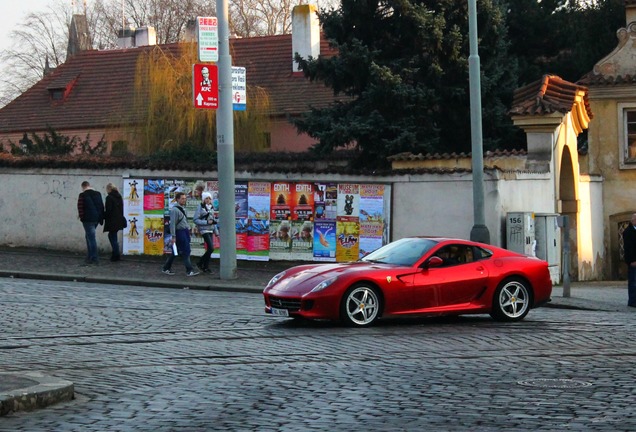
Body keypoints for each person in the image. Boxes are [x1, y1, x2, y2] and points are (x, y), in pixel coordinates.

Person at [162, 192, 199, 277]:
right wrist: (173, 236)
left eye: (185, 198)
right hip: (180, 232)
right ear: (177, 199)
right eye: (182, 198)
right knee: (186, 251)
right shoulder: (175, 210)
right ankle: (189, 270)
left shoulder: (182, 208)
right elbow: (173, 224)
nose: (184, 200)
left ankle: (166, 268)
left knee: (176, 251)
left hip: (184, 231)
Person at [77, 181, 104, 265]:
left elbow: (80, 207)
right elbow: (101, 206)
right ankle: (90, 256)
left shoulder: (82, 195)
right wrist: (101, 218)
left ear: (83, 187)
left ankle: (93, 257)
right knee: (89, 236)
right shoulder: (98, 194)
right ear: (89, 185)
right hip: (96, 219)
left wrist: (82, 218)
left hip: (87, 219)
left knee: (91, 238)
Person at [193, 192, 218, 273]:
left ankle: (205, 267)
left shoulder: (212, 207)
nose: (208, 200)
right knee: (211, 248)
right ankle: (200, 263)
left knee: (210, 249)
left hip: (210, 229)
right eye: (206, 198)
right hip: (204, 230)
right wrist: (206, 222)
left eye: (209, 198)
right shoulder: (200, 207)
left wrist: (216, 233)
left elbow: (213, 222)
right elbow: (195, 220)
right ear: (203, 199)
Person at [103, 183, 126, 262]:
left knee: (112, 236)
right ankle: (115, 254)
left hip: (112, 220)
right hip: (118, 220)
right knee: (113, 236)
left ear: (109, 189)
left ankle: (116, 254)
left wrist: (103, 216)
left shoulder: (109, 198)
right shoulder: (119, 197)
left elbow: (108, 210)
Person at [623, 213, 636, 307]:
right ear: (632, 220)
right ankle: (632, 301)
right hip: (633, 261)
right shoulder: (628, 231)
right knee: (633, 282)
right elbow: (628, 248)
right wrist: (632, 260)